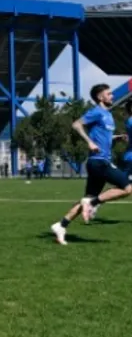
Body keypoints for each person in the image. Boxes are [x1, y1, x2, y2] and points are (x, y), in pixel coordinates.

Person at [50, 84, 132, 245]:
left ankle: (61, 225)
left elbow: (102, 136)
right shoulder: (97, 112)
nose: (112, 96)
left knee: (86, 199)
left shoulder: (107, 115)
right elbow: (76, 124)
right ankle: (93, 203)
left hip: (100, 161)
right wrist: (89, 142)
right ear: (100, 97)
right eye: (109, 94)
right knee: (127, 188)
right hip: (99, 162)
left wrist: (116, 138)